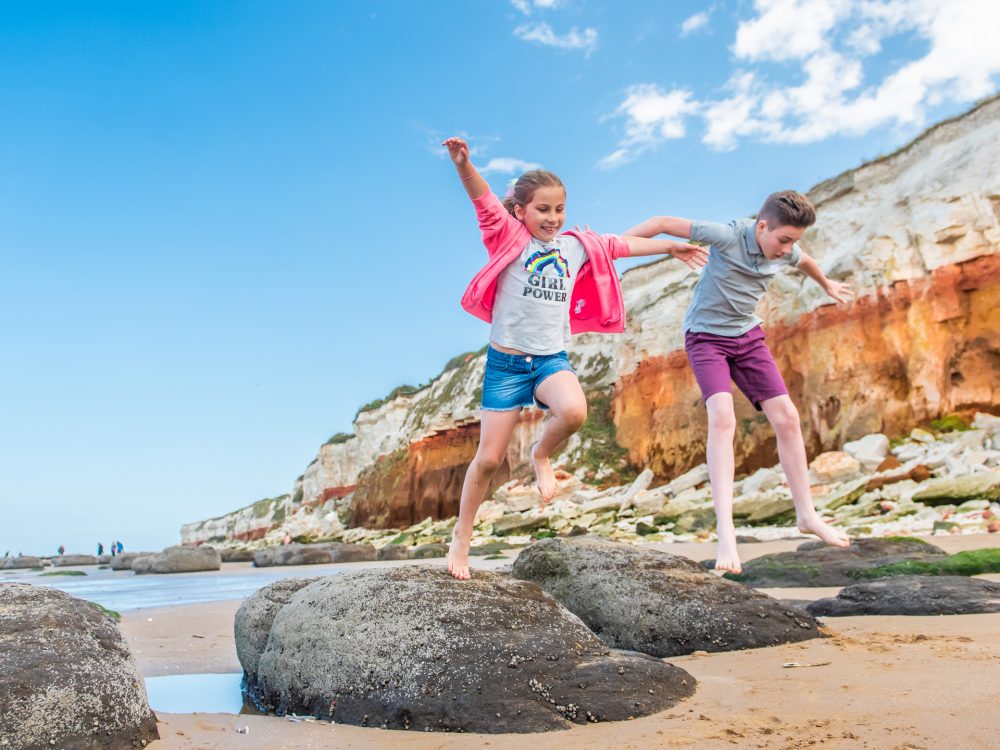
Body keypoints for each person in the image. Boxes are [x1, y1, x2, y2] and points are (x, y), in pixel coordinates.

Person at [442, 136, 709, 580]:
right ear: (520, 212)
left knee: (574, 411)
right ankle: (462, 537)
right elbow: (482, 199)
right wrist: (463, 165)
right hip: (506, 366)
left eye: (558, 209)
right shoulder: (507, 237)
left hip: (548, 359)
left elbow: (621, 246)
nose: (552, 217)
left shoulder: (574, 246)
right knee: (488, 460)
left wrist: (670, 246)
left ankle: (541, 455)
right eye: (542, 209)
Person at [625, 191, 852, 574]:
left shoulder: (786, 249)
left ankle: (807, 515)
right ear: (762, 226)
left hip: (747, 337)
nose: (788, 249)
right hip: (706, 338)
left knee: (788, 418)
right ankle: (726, 532)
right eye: (784, 240)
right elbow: (662, 221)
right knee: (723, 419)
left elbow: (807, 260)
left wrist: (826, 283)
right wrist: (610, 249)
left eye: (794, 241)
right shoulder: (726, 236)